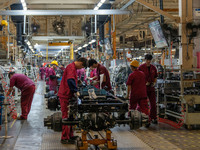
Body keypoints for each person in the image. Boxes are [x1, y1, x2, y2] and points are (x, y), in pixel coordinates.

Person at [58, 57, 88, 144]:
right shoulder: (71, 67)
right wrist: (76, 91)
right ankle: (64, 137)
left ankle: (70, 135)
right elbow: (70, 80)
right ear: (80, 62)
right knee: (66, 116)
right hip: (65, 95)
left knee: (71, 115)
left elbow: (72, 79)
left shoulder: (73, 68)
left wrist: (77, 81)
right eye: (81, 66)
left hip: (69, 95)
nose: (81, 68)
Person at [139, 54, 158, 124]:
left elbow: (155, 76)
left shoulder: (153, 68)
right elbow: (138, 77)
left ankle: (153, 117)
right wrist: (144, 83)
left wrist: (154, 83)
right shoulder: (141, 67)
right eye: (147, 60)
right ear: (145, 60)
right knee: (143, 104)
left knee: (153, 104)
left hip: (151, 87)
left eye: (149, 60)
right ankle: (144, 118)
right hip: (143, 88)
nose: (148, 61)